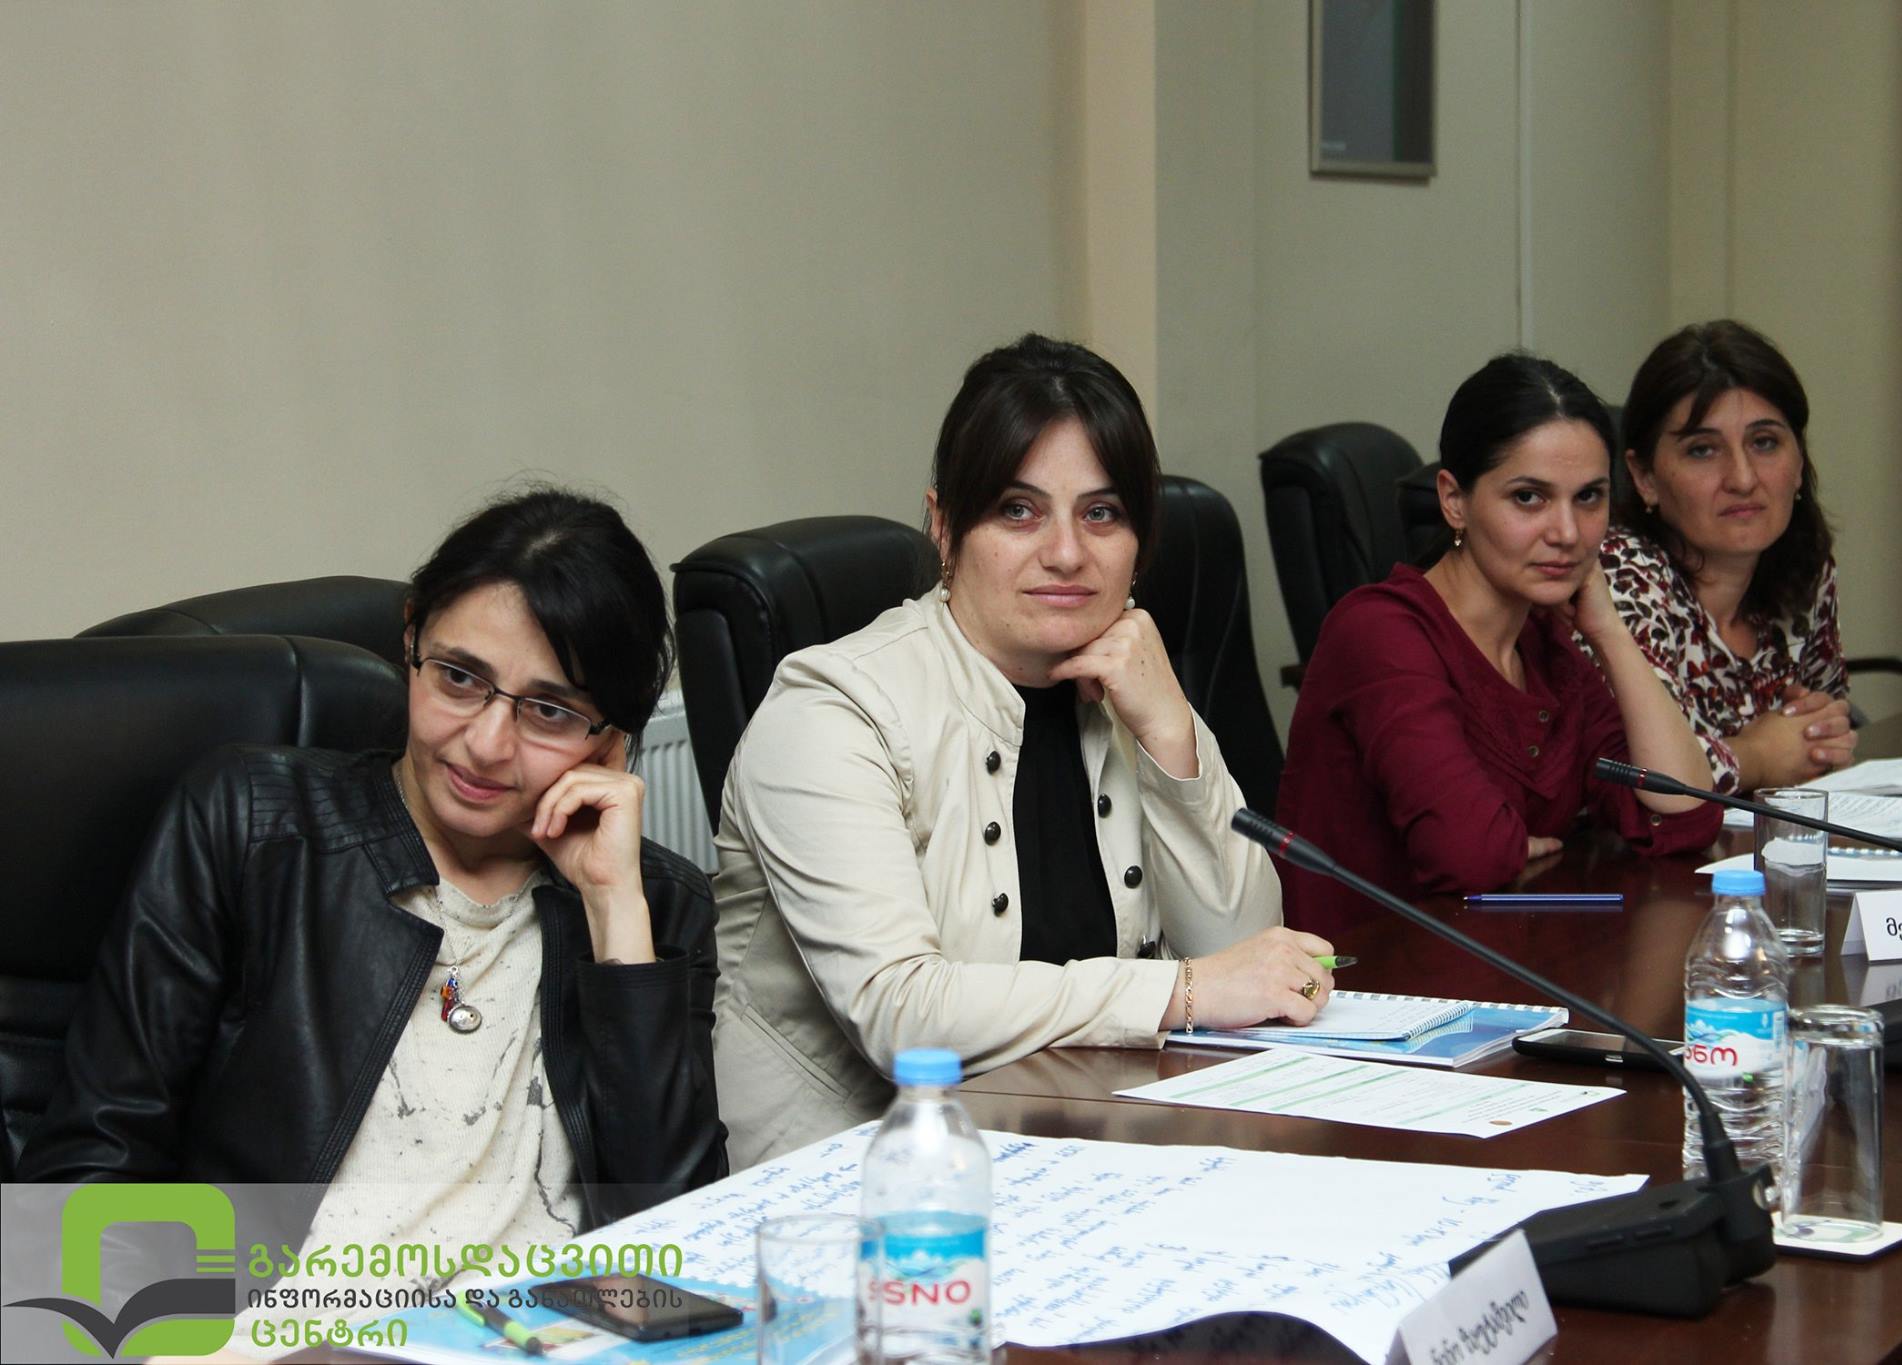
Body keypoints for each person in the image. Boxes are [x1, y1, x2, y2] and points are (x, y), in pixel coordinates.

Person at [20, 487, 725, 1259]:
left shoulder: (655, 904)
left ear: (612, 737)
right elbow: (91, 1169)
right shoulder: (254, 826)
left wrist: (615, 913)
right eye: (459, 677)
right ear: (411, 637)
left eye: (549, 711)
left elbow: (682, 1250)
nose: (487, 744)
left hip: (551, 1320)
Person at [713, 334, 1330, 1168]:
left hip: (1087, 1156)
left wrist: (1171, 736)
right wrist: (1181, 991)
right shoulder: (831, 712)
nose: (1067, 553)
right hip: (858, 1189)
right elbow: (904, 1015)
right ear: (944, 528)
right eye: (1018, 510)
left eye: (1101, 513)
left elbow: (1247, 959)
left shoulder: (1131, 687)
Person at [1275, 353, 1723, 930]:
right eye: (1529, 498)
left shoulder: (1544, 642)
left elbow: (1684, 817)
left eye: (1589, 497)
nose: (1567, 533)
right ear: (1454, 501)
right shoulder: (1381, 631)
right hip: (1361, 974)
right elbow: (1469, 856)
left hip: (1496, 957)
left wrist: (1609, 632)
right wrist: (1506, 850)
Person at [1603, 319, 1853, 792]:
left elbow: (1825, 731)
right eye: (1702, 450)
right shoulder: (1622, 577)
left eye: (1764, 443)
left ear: (1799, 460)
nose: (1742, 478)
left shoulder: (1803, 565)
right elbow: (1640, 780)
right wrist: (1758, 756)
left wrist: (1823, 737)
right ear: (1644, 477)